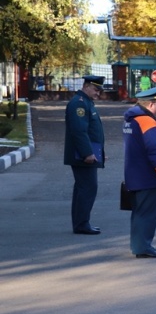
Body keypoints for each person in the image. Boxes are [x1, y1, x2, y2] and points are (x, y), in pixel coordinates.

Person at [123, 87, 156, 258]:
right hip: (148, 175)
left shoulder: (132, 119)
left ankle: (139, 245)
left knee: (140, 212)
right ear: (152, 104)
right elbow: (154, 149)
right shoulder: (147, 121)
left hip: (135, 173)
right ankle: (143, 247)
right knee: (148, 213)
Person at [64, 75, 106, 235]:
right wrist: (87, 153)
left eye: (99, 90)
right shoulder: (78, 104)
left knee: (83, 188)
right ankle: (82, 224)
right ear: (86, 86)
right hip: (82, 155)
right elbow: (79, 131)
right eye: (96, 89)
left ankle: (80, 223)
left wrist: (99, 152)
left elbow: (91, 132)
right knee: (88, 188)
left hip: (86, 154)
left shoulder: (86, 102)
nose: (98, 93)